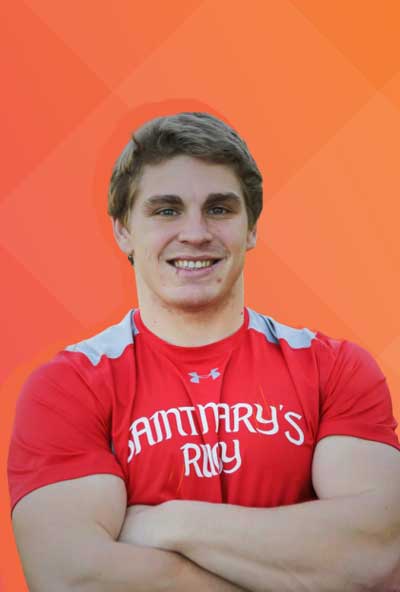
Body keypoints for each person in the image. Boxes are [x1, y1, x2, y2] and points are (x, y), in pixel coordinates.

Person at [8, 112, 400, 592]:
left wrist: (166, 522)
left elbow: (378, 556)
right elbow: (72, 578)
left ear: (251, 228)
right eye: (166, 210)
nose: (195, 233)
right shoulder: (68, 387)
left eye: (219, 209)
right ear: (123, 230)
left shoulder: (333, 368)